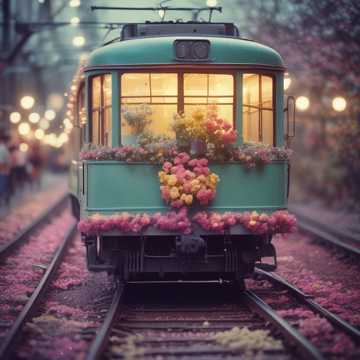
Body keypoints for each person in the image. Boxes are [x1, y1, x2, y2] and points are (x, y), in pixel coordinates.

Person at [0, 133, 11, 205]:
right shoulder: (2, 148)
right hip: (3, 171)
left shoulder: (3, 148)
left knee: (3, 186)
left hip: (4, 171)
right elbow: (1, 162)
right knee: (2, 186)